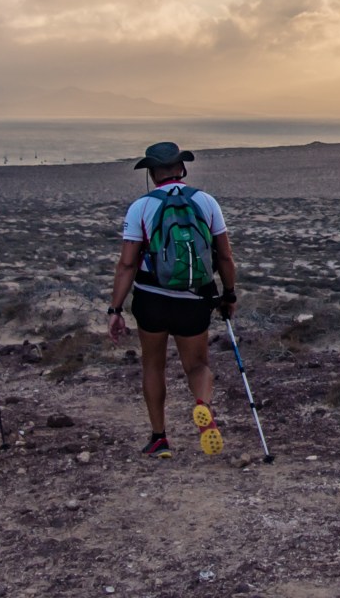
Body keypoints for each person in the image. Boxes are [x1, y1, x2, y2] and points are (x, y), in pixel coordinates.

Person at [107, 142, 238, 458]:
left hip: (151, 299)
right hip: (193, 299)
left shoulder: (141, 207)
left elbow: (127, 263)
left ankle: (159, 438)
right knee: (198, 364)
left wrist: (115, 308)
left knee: (153, 365)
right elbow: (225, 256)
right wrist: (229, 294)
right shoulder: (206, 202)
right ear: (182, 168)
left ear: (152, 173)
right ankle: (202, 407)